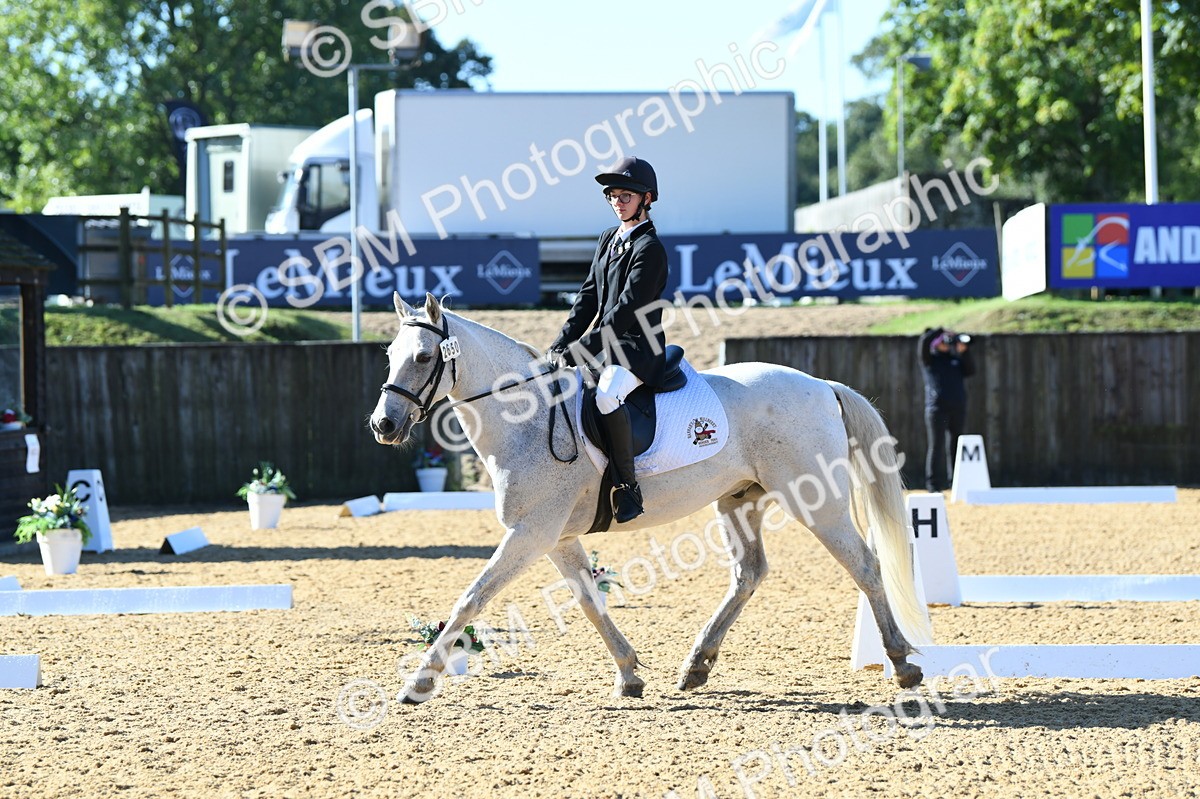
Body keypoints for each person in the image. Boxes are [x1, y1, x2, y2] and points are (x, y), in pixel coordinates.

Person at [546, 156, 668, 523]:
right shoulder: (607, 239)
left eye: (626, 195)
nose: (618, 201)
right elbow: (587, 298)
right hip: (605, 348)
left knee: (605, 395)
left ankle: (628, 486)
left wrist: (580, 350)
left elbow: (625, 311)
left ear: (647, 198)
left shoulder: (651, 250)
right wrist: (559, 343)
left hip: (636, 350)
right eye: (612, 195)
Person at [918, 327, 975, 492]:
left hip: (958, 408)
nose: (946, 344)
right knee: (936, 446)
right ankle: (933, 485)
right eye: (942, 341)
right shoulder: (930, 360)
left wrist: (965, 352)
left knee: (956, 446)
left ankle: (955, 483)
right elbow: (924, 342)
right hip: (937, 409)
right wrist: (941, 330)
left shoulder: (955, 360)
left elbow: (971, 370)